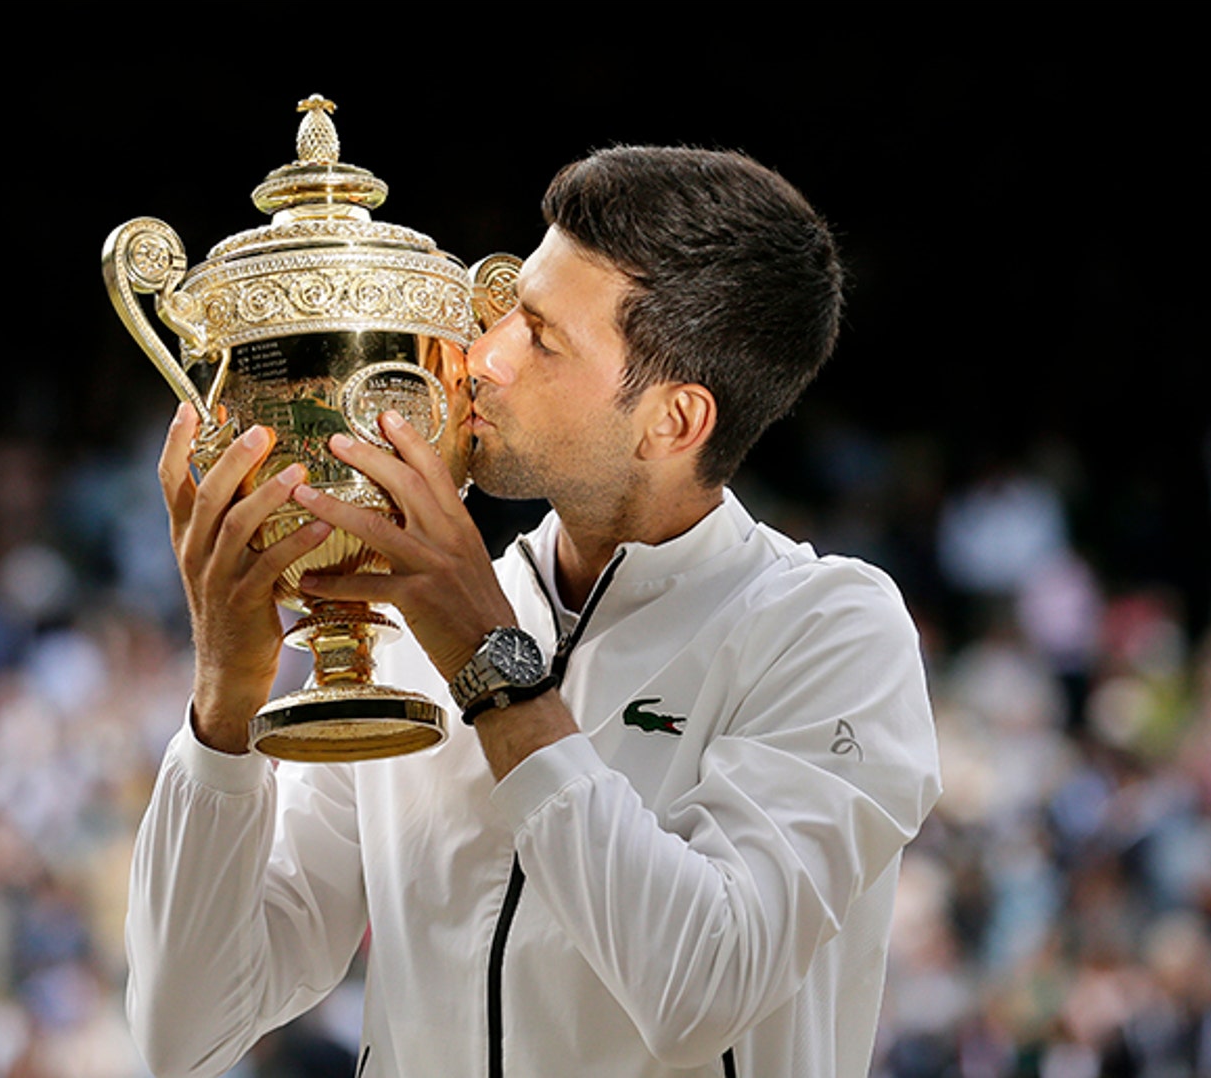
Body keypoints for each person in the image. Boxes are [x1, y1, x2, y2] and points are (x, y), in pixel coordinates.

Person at [127, 146, 942, 1078]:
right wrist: (224, 706)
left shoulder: (830, 629)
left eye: (543, 337)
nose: (484, 357)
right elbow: (182, 1035)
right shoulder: (404, 624)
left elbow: (704, 986)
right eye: (506, 307)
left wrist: (487, 660)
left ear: (673, 421)